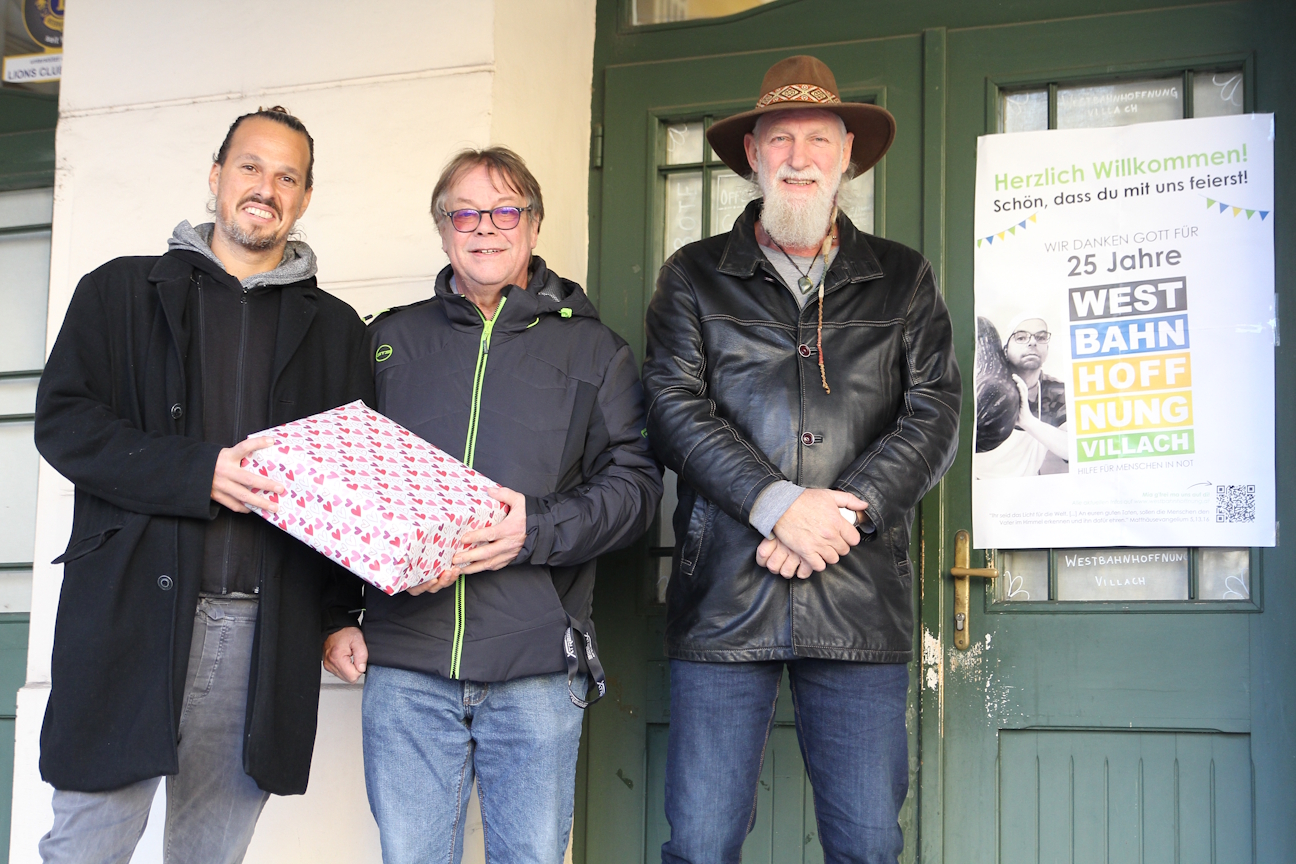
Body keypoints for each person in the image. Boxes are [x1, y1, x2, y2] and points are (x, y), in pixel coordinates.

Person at [33, 107, 374, 864]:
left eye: (287, 176)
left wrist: (338, 614)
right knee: (84, 848)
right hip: (129, 617)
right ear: (216, 177)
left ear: (305, 197)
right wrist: (197, 472)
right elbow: (64, 425)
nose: (266, 187)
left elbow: (349, 489)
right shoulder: (117, 293)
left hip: (261, 634)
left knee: (209, 857)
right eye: (250, 167)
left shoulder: (339, 331)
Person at [641, 56, 961, 862]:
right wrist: (777, 503)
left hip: (858, 599)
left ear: (848, 153)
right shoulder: (691, 277)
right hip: (723, 599)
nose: (798, 155)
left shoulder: (903, 279)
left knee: (866, 845)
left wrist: (835, 514)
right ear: (751, 154)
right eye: (778, 137)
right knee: (702, 842)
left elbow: (935, 413)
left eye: (818, 137)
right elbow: (674, 410)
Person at [323, 147, 662, 864]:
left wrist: (530, 530)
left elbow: (634, 490)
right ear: (442, 230)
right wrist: (334, 617)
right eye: (465, 212)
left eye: (506, 210)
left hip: (536, 669)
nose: (485, 227)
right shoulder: (387, 341)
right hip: (406, 666)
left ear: (534, 227)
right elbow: (338, 485)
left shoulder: (594, 350)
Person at [975, 314, 1069, 477]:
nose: (1032, 342)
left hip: (1024, 492)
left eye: (1041, 337)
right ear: (1005, 349)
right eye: (1021, 337)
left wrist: (1028, 422)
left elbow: (1076, 450)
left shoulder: (1057, 392)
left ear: (1047, 349)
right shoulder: (982, 385)